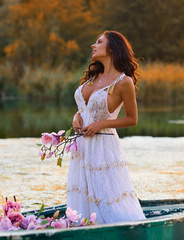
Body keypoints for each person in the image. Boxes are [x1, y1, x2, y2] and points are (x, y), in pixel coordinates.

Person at [67, 31, 146, 224]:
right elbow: (84, 109)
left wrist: (102, 123)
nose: (93, 45)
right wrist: (76, 116)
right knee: (83, 196)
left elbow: (131, 119)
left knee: (107, 196)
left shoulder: (123, 81)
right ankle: (82, 228)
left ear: (112, 48)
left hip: (104, 147)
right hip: (82, 147)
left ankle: (114, 228)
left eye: (99, 42)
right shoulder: (93, 77)